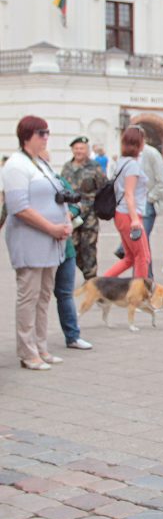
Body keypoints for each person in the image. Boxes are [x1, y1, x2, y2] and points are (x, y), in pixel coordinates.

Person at [2, 116, 69, 370]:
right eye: (42, 133)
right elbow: (19, 208)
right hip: (30, 240)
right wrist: (51, 227)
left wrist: (65, 220)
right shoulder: (16, 165)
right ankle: (27, 351)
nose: (46, 137)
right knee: (28, 297)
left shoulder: (41, 163)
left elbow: (58, 195)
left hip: (51, 241)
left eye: (47, 132)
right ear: (28, 135)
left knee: (43, 297)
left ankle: (41, 346)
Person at [48, 159, 94, 350]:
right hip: (42, 248)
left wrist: (69, 215)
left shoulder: (57, 179)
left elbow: (76, 202)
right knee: (36, 297)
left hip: (65, 246)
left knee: (65, 293)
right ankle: (33, 342)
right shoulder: (29, 181)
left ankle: (73, 336)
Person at [116, 141, 163, 277]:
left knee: (140, 247)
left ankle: (144, 280)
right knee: (140, 248)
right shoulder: (130, 159)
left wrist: (150, 198)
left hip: (145, 204)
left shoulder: (151, 154)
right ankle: (142, 280)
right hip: (132, 206)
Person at [102, 126, 150, 278]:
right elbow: (129, 194)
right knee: (143, 257)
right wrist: (135, 220)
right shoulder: (132, 166)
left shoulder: (122, 162)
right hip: (129, 215)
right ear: (139, 143)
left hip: (121, 214)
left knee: (130, 258)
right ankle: (139, 295)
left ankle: (101, 284)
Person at [61, 135, 108, 280]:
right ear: (72, 150)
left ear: (87, 150)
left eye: (81, 148)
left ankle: (91, 279)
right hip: (72, 213)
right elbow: (62, 188)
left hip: (90, 214)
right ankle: (85, 271)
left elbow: (104, 188)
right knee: (73, 246)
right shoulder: (67, 167)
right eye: (76, 148)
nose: (79, 151)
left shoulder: (95, 167)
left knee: (89, 247)